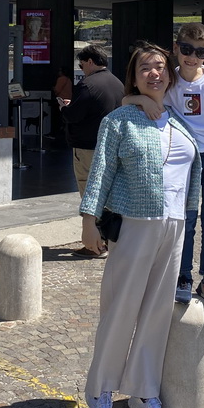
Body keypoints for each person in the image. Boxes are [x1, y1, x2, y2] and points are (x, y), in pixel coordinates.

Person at [79, 43, 200, 408]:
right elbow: (99, 174)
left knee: (156, 313)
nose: (155, 73)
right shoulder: (118, 121)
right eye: (146, 68)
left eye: (161, 67)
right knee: (120, 310)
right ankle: (100, 392)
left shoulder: (178, 119)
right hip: (135, 223)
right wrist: (88, 221)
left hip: (174, 224)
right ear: (133, 76)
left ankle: (144, 391)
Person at [122, 23, 204, 313]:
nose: (192, 57)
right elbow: (130, 97)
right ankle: (182, 276)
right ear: (176, 48)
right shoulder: (169, 81)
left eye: (200, 52)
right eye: (186, 49)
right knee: (185, 219)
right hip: (185, 158)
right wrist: (138, 100)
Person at [59, 46, 124, 257]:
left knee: (90, 193)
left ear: (89, 62)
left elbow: (74, 116)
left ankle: (96, 244)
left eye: (81, 64)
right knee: (109, 194)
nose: (82, 69)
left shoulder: (87, 85)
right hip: (112, 147)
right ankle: (110, 238)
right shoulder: (117, 83)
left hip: (88, 147)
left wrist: (64, 108)